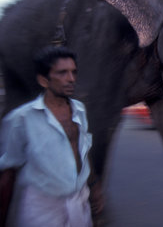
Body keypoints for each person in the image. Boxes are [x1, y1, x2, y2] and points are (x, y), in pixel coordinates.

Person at [0, 46, 102, 227]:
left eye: (73, 72)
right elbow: (8, 172)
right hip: (42, 210)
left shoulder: (79, 110)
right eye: (62, 73)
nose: (71, 79)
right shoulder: (22, 119)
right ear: (43, 80)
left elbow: (83, 150)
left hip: (79, 203)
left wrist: (94, 186)